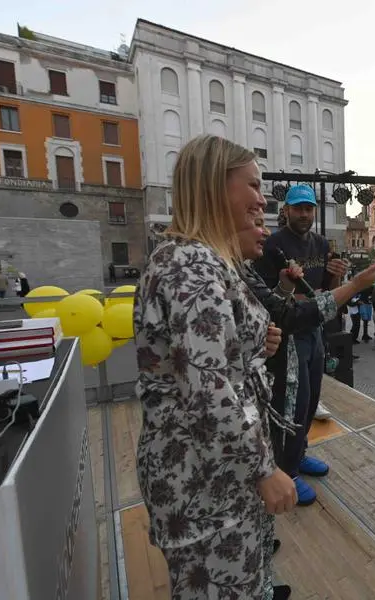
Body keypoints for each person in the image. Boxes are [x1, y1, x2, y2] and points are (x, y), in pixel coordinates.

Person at [133, 135, 295, 600]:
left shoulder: (195, 258)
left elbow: (206, 358)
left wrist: (250, 344)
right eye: (253, 185)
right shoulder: (191, 264)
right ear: (213, 186)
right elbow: (209, 386)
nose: (262, 199)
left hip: (215, 469)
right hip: (203, 477)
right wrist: (265, 467)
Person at [252, 184, 349, 506]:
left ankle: (300, 451)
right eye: (298, 208)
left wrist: (337, 277)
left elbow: (325, 293)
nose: (304, 214)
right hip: (289, 335)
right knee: (292, 401)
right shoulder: (272, 244)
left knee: (311, 400)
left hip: (315, 332)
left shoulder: (321, 244)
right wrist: (301, 296)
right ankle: (287, 468)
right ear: (286, 211)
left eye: (309, 208)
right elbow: (267, 296)